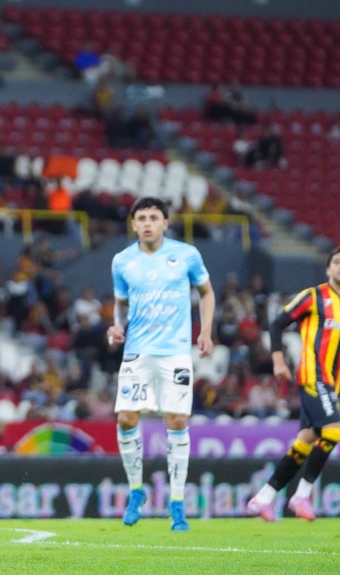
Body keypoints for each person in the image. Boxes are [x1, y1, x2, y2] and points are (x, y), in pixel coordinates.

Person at [107, 196, 215, 532]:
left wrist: (206, 331)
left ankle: (178, 503)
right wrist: (117, 326)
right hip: (137, 353)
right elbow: (120, 304)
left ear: (166, 223)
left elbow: (207, 292)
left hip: (175, 353)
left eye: (155, 217)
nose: (148, 222)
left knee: (177, 419)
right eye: (142, 218)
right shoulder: (122, 261)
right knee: (126, 417)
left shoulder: (186, 255)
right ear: (134, 224)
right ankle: (137, 491)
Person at [246, 246, 340, 522]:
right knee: (333, 432)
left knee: (305, 441)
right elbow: (277, 324)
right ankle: (302, 495)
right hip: (311, 375)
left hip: (332, 383)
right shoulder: (313, 296)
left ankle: (263, 498)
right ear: (328, 270)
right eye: (336, 262)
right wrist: (279, 361)